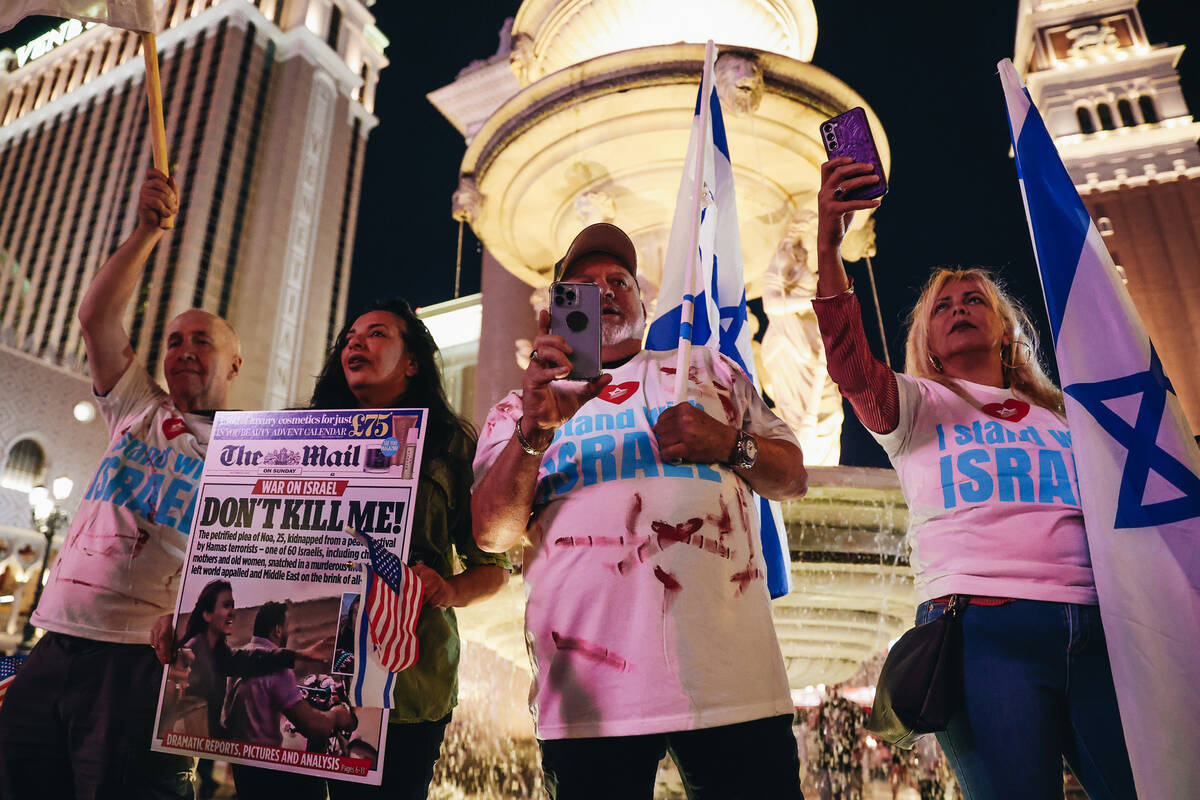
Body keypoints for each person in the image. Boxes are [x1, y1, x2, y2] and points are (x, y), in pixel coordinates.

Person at [812, 157, 1137, 799]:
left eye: (974, 300)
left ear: (1006, 329)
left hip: (1098, 632)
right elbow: (850, 363)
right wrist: (828, 244)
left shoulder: (1064, 418)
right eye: (943, 306)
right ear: (928, 341)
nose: (959, 308)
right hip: (984, 634)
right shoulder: (915, 407)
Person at [471, 222, 809, 799]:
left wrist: (728, 443)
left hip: (732, 683)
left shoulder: (709, 371)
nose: (603, 289)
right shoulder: (517, 410)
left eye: (618, 280)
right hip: (588, 696)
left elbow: (794, 477)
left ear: (644, 303)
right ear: (556, 312)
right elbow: (492, 534)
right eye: (582, 285)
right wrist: (534, 432)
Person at [0, 170, 237, 799]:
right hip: (59, 639)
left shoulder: (249, 453)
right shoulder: (137, 403)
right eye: (174, 340)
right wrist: (145, 232)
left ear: (234, 364)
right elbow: (96, 314)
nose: (184, 350)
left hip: (149, 663)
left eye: (202, 342)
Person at [310, 298, 512, 799]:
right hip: (306, 677)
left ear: (412, 362)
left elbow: (493, 568)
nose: (355, 342)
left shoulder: (449, 445)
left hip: (408, 685)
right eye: (349, 338)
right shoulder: (299, 439)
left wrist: (448, 589)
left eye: (376, 334)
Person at [222, 603, 355, 799]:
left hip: (245, 768)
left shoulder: (244, 657)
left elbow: (229, 718)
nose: (289, 632)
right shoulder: (277, 668)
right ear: (277, 629)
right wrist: (338, 715)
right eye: (288, 626)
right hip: (278, 774)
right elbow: (313, 726)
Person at [175, 579, 325, 740]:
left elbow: (250, 659)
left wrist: (300, 655)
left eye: (232, 606)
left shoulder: (217, 653)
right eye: (226, 606)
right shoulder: (193, 653)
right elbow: (189, 717)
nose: (233, 612)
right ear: (207, 614)